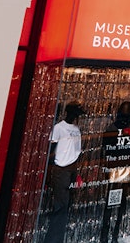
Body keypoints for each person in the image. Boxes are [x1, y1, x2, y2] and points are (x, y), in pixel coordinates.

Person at [100, 101, 130, 243]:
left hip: (124, 166)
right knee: (114, 199)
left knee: (118, 199)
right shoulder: (114, 127)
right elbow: (106, 148)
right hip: (117, 166)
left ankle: (112, 232)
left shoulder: (120, 127)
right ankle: (107, 232)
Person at [44, 101, 85, 243]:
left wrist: (77, 172)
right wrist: (49, 172)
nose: (77, 117)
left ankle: (59, 237)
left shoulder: (76, 129)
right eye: (76, 114)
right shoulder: (59, 128)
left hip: (71, 168)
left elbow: (77, 151)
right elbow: (51, 150)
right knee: (60, 204)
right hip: (60, 168)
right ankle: (53, 239)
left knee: (67, 203)